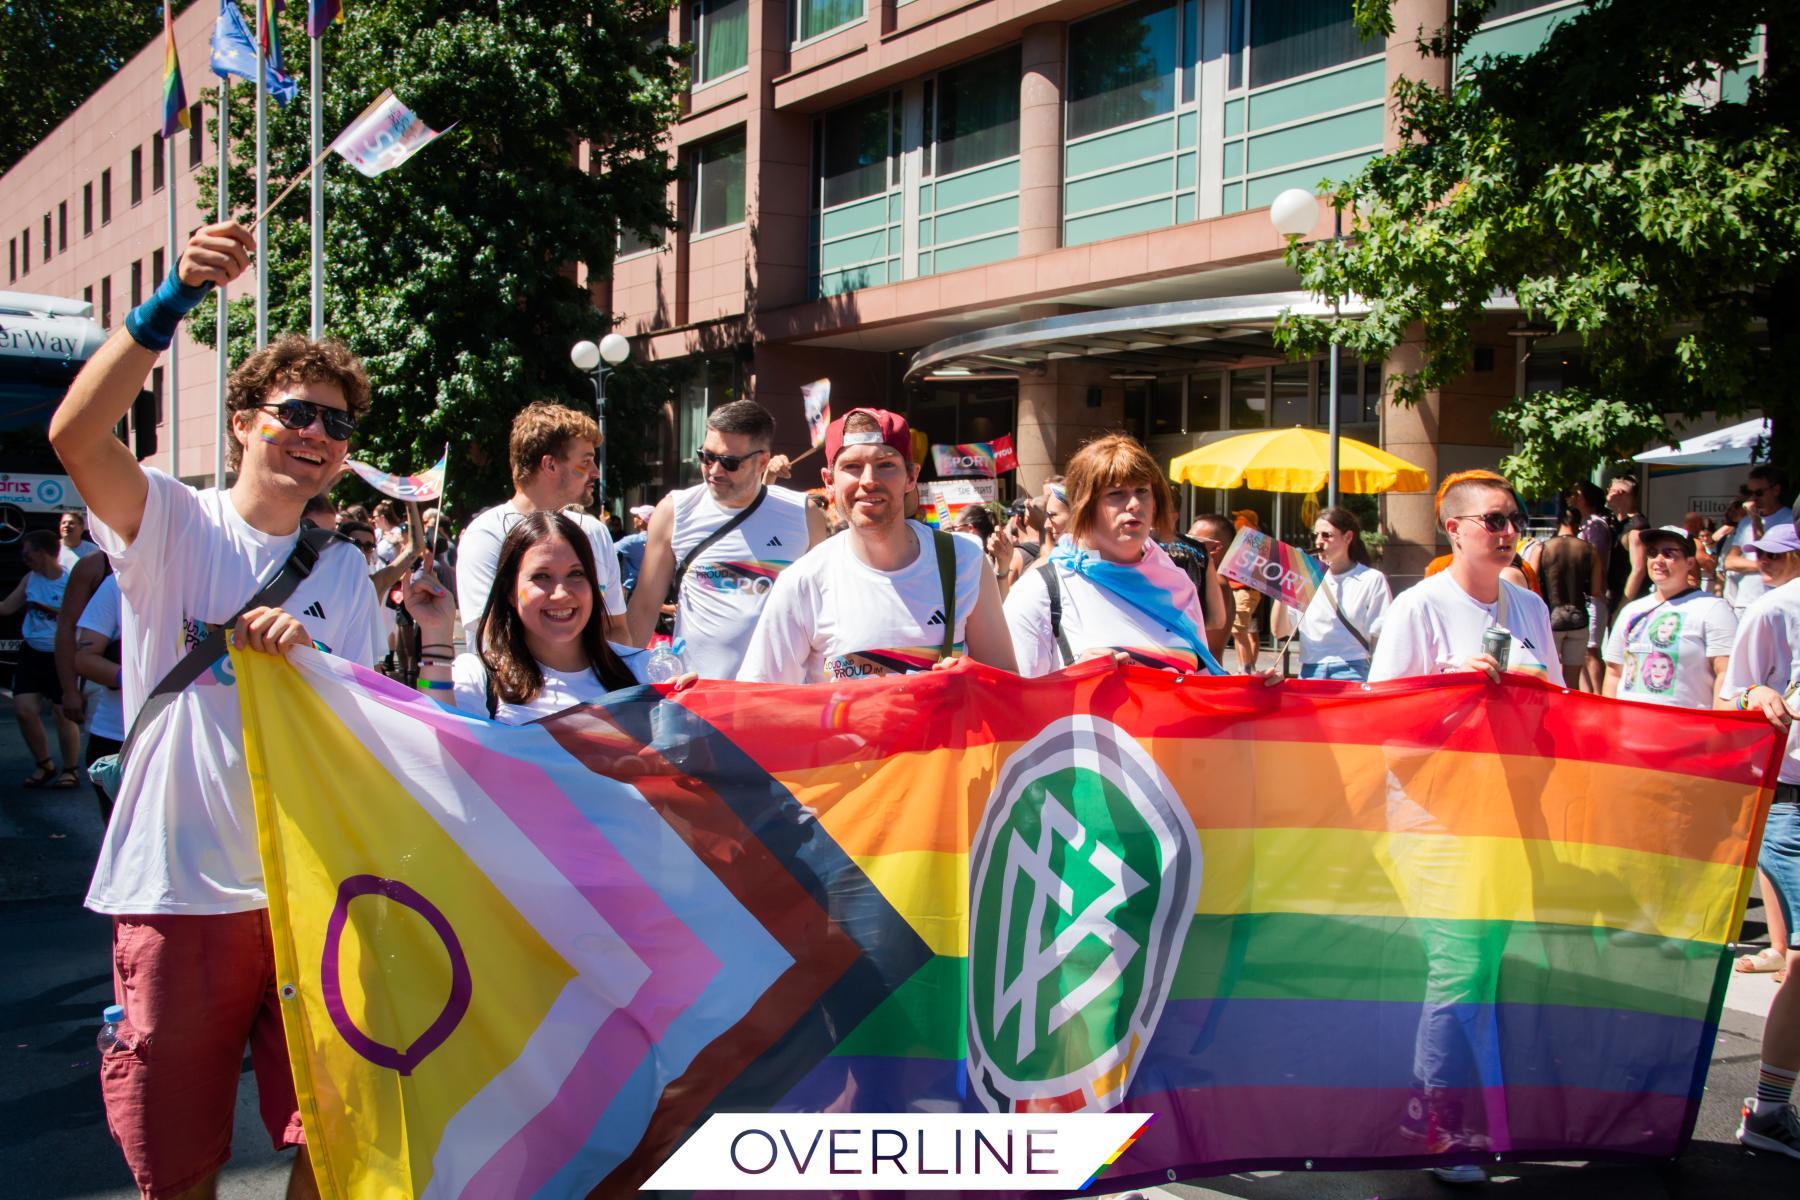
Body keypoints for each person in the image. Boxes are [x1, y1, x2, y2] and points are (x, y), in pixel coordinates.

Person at [47, 219, 384, 1200]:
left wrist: (313, 654)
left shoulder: (349, 571)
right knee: (178, 1163)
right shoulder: (171, 523)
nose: (316, 434)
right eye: (296, 412)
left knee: (335, 1142)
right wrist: (170, 301)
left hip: (307, 899)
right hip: (179, 892)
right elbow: (73, 434)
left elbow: (366, 721)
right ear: (245, 421)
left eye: (336, 423)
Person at [738, 407, 1015, 682]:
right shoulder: (803, 581)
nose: (869, 481)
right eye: (852, 467)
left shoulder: (963, 561)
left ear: (911, 477)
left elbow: (1007, 684)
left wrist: (975, 679)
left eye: (885, 465)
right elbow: (759, 698)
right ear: (829, 481)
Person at [408, 512, 678, 722]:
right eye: (541, 577)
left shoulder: (645, 672)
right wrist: (435, 635)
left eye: (576, 574)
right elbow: (433, 746)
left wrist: (690, 712)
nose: (561, 593)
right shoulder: (480, 679)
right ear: (511, 593)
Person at [627, 400, 826, 679]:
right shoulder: (675, 511)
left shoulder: (804, 515)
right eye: (706, 456)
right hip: (696, 700)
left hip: (778, 701)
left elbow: (823, 613)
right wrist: (620, 686)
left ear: (762, 462)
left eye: (730, 462)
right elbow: (645, 606)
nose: (714, 470)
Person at [1715, 522, 1800, 1159]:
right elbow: (1730, 690)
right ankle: (1769, 1110)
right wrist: (1757, 692)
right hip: (1794, 803)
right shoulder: (1775, 609)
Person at [1003, 434, 1224, 677]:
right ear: (1084, 506)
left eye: (1142, 491)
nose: (1133, 504)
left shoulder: (1177, 584)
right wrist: (1071, 677)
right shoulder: (1040, 591)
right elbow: (1014, 701)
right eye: (1116, 494)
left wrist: (1259, 695)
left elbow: (1201, 684)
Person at [457, 402, 627, 650]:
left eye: (576, 574)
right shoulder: (487, 535)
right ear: (550, 465)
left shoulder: (594, 532)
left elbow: (616, 630)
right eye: (586, 461)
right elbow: (493, 639)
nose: (596, 472)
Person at [1370, 470, 1557, 682]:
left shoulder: (1532, 606)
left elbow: (1556, 696)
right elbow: (1387, 705)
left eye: (1517, 519)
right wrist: (1456, 684)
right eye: (1494, 520)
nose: (1510, 531)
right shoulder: (1417, 607)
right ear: (1454, 529)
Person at [1603, 525, 1737, 708]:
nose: (1658, 560)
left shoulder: (1714, 609)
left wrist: (1719, 729)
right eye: (1652, 552)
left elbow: (1726, 674)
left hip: (1688, 732)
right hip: (1629, 731)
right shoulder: (1630, 611)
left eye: (1669, 553)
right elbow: (1613, 672)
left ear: (1690, 563)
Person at [1, 529, 81, 788]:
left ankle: (70, 769)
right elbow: (6, 608)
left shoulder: (69, 582)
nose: (25, 559)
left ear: (43, 553)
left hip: (59, 654)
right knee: (24, 710)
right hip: (31, 652)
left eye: (27, 553)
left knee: (62, 714)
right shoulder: (30, 580)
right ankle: (44, 763)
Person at [1295, 507, 1391, 681]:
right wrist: (1285, 580)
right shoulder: (1306, 578)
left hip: (1352, 670)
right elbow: (1279, 631)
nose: (1319, 542)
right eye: (1315, 535)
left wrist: (1378, 679)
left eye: (1327, 535)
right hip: (1311, 671)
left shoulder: (1371, 579)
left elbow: (1380, 634)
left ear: (1348, 537)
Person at [1524, 508, 1603, 689]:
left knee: (1550, 678)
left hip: (1551, 619)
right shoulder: (1590, 551)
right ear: (1578, 524)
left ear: (1557, 522)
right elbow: (1595, 590)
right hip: (1579, 619)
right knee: (1572, 683)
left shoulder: (1542, 548)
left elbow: (1532, 586)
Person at [73, 573, 126, 823]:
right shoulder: (119, 582)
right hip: (119, 738)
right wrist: (131, 680)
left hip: (199, 736)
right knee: (125, 846)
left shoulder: (218, 572)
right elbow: (84, 657)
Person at [1723, 465, 1795, 612]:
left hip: (1774, 600)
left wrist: (1756, 520)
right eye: (1750, 493)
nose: (1753, 499)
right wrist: (1767, 564)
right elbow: (1730, 561)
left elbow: (1763, 552)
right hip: (1744, 601)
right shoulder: (1745, 522)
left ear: (1776, 490)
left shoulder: (1790, 520)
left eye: (1759, 492)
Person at [1567, 479, 1613, 690]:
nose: (1572, 499)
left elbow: (1596, 560)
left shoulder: (1595, 525)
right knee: (1582, 650)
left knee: (1591, 650)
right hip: (1583, 596)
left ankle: (1598, 697)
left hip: (1593, 597)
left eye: (1576, 495)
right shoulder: (1585, 523)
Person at [1187, 513, 1237, 663]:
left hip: (1203, 674)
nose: (1184, 544)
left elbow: (1209, 647)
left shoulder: (1216, 583)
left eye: (1193, 540)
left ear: (1215, 547)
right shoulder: (1203, 578)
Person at [1606, 474, 1650, 606]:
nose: (1607, 495)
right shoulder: (1619, 523)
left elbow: (1638, 570)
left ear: (1618, 493)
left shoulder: (1637, 527)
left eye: (1609, 490)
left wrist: (1622, 608)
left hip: (1629, 600)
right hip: (1616, 595)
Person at [616, 503, 654, 593]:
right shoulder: (664, 541)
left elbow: (607, 549)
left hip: (633, 591)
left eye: (636, 517)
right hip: (657, 590)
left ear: (641, 521)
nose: (634, 519)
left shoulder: (633, 541)